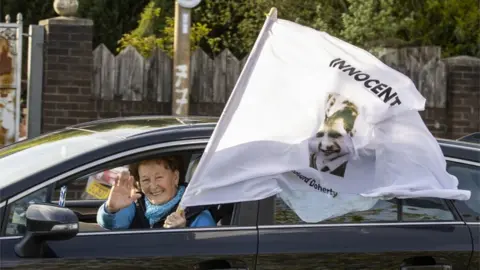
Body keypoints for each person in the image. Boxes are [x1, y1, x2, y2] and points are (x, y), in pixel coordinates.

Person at [96, 156, 216, 229]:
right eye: (145, 180)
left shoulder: (197, 214)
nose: (153, 186)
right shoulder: (135, 204)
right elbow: (111, 225)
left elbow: (208, 256)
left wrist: (183, 234)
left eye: (159, 178)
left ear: (175, 177)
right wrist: (111, 210)